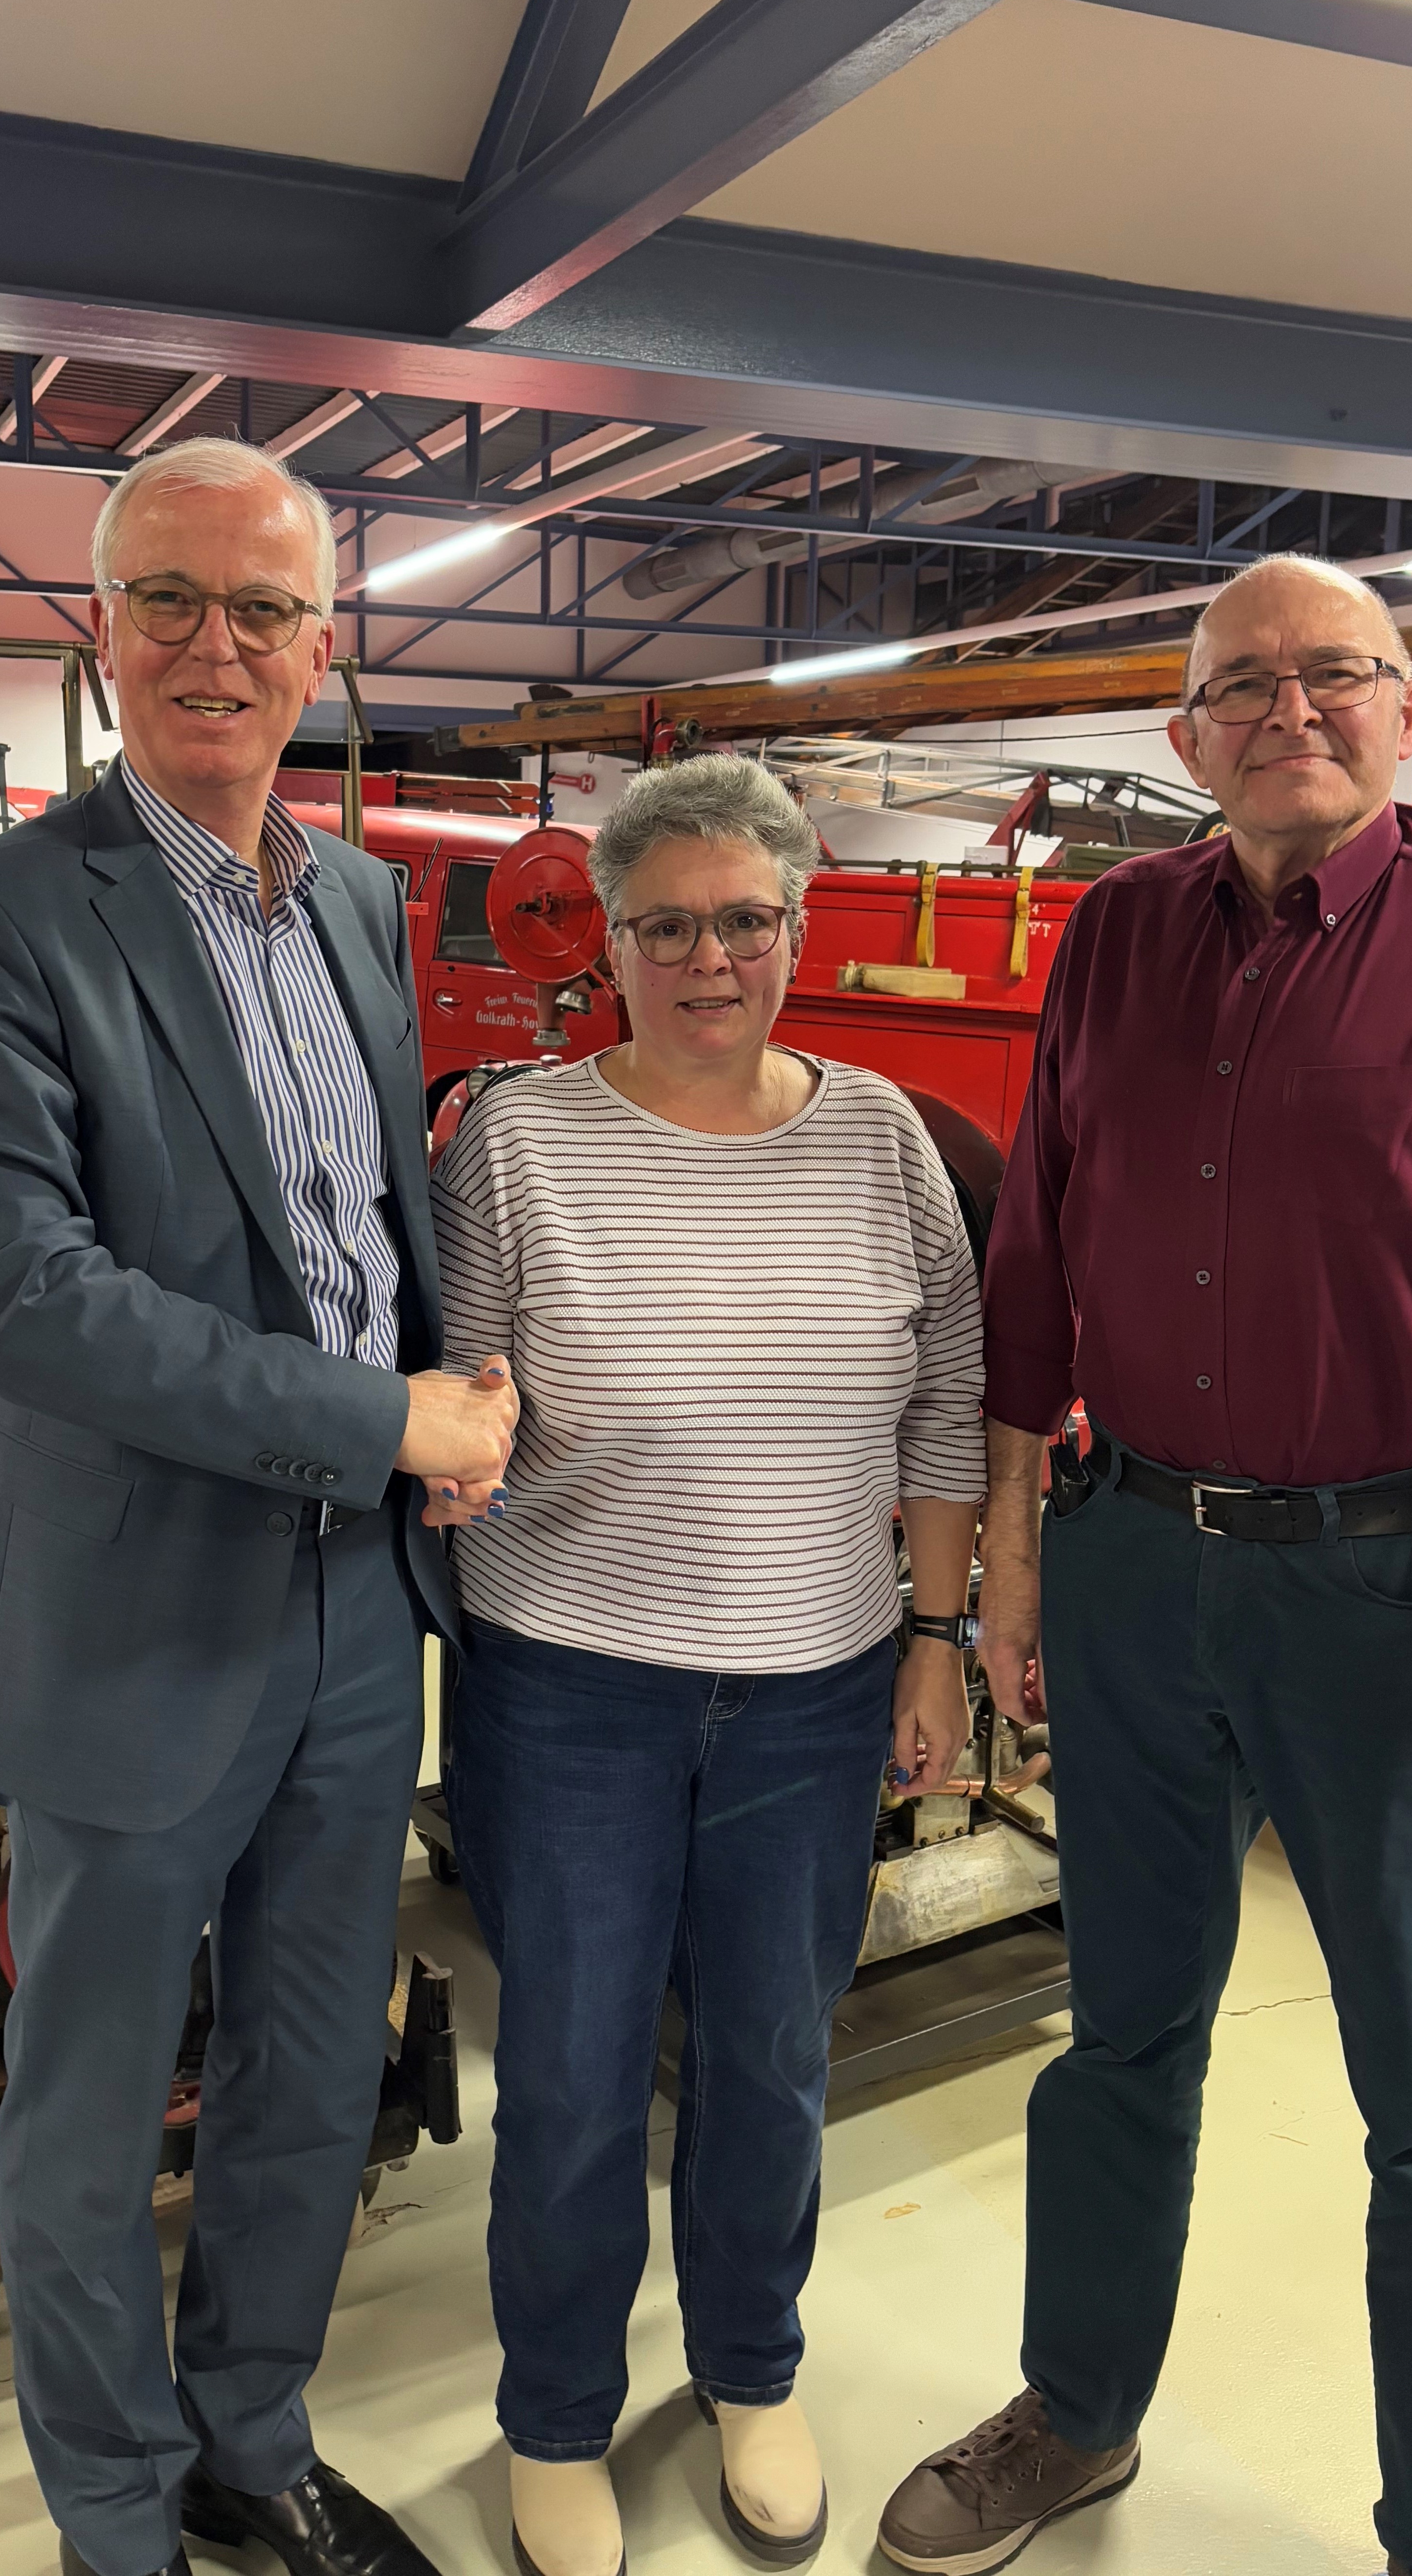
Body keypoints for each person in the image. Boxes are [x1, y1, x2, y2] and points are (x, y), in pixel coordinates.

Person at [876, 553, 1412, 2576]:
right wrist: (1017, 1560)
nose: (1289, 711)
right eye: (1243, 687)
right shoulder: (1121, 932)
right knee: (1123, 2033)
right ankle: (1084, 2410)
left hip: (1396, 1602)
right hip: (1136, 1567)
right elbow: (1034, 1256)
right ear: (1182, 732)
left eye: (1337, 677)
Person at [0, 436, 517, 2576]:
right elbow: (18, 1296)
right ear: (99, 626)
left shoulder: (349, 897)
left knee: (312, 2072)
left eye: (261, 610)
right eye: (169, 599)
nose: (213, 649)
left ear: (326, 647)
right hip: (136, 1617)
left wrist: (465, 1388)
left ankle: (253, 2439)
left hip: (360, 1618)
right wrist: (382, 1421)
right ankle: (120, 2524)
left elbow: (360, 1222)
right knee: (78, 2123)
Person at [430, 755, 986, 2576]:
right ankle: (558, 2417)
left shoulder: (883, 1136)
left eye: (741, 919)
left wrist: (935, 1633)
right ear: (608, 936)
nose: (705, 957)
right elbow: (463, 1391)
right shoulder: (516, 1137)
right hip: (571, 1685)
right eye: (663, 924)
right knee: (579, 2071)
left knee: (767, 2051)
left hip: (816, 1689)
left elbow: (942, 1409)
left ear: (795, 923)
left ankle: (753, 2368)